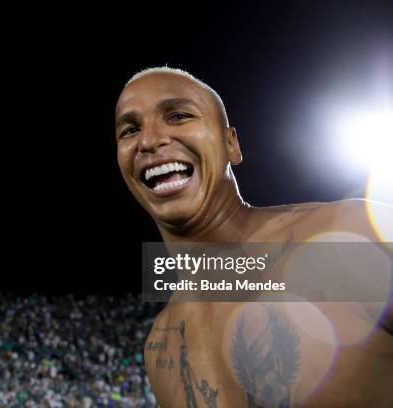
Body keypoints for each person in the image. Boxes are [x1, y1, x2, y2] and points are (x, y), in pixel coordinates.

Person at [115, 66, 393, 407]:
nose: (149, 140)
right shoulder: (162, 345)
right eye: (130, 130)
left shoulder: (354, 235)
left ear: (231, 144)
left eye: (178, 116)